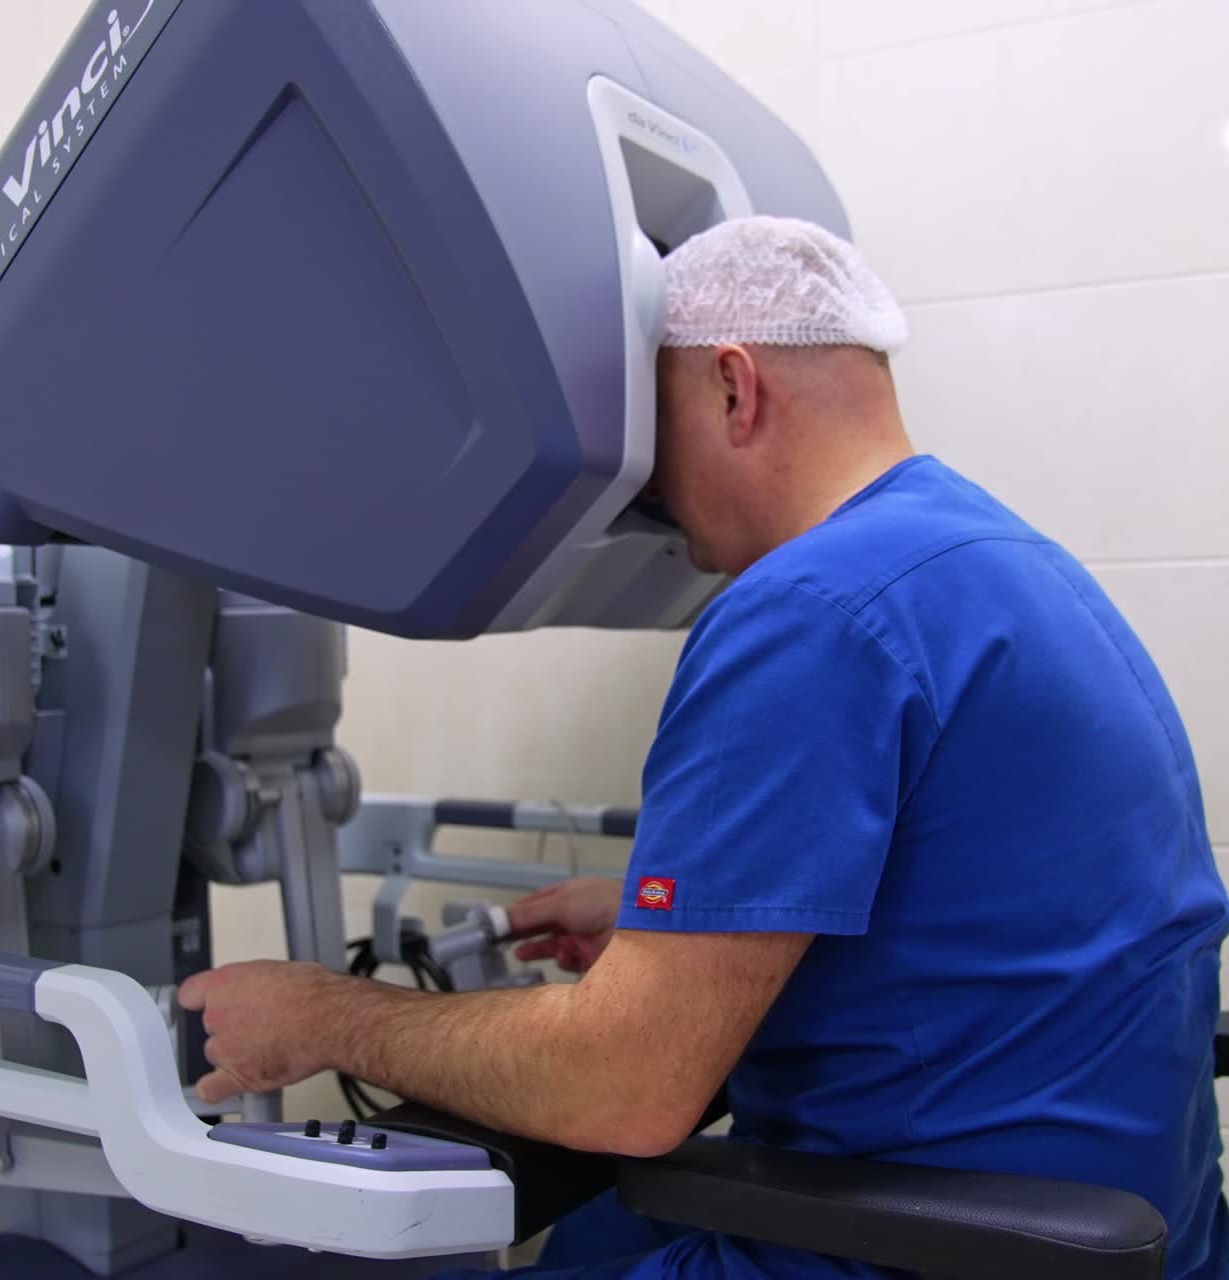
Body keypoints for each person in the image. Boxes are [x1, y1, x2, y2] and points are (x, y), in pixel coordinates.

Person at [178, 217, 1229, 1279]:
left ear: (733, 387)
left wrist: (324, 1016)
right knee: (593, 1230)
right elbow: (970, 905)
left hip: (930, 1247)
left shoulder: (806, 609)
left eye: (652, 428)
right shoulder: (1001, 558)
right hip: (1129, 1228)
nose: (647, 490)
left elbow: (619, 1088)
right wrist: (668, 916)